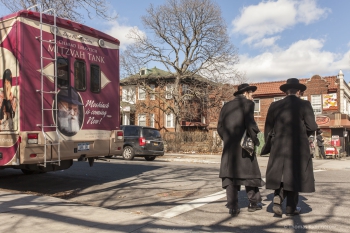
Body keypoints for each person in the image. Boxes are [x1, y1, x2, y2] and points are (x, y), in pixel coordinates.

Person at [264, 78, 318, 216]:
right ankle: (291, 208)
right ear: (299, 91)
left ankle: (279, 196)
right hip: (297, 145)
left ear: (285, 92)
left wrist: (270, 144)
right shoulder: (304, 104)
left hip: (278, 144)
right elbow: (311, 126)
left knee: (281, 173)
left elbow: (268, 128)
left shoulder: (274, 105)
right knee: (294, 175)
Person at [217, 83, 265, 217]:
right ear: (245, 93)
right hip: (244, 146)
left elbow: (219, 127)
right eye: (251, 93)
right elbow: (250, 125)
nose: (253, 96)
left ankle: (233, 206)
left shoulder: (226, 106)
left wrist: (227, 139)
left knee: (230, 175)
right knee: (250, 174)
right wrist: (255, 140)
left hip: (229, 147)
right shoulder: (248, 104)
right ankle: (253, 204)